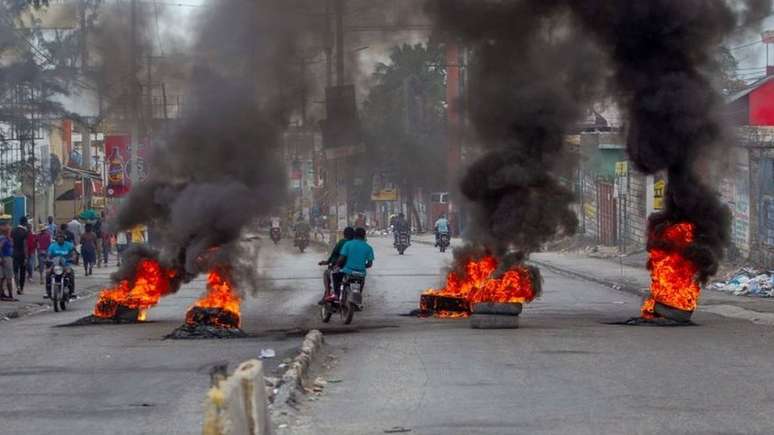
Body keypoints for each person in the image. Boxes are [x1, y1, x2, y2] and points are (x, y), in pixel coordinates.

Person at [317, 226, 354, 304]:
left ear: (344, 234)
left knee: (327, 273)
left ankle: (328, 294)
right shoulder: (355, 243)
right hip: (353, 270)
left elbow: (334, 254)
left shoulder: (342, 242)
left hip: (341, 268)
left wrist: (328, 262)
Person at [335, 227, 374, 297]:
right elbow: (369, 264)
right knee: (359, 291)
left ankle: (337, 296)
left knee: (338, 280)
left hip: (348, 272)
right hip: (361, 274)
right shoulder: (368, 247)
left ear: (354, 235)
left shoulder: (348, 244)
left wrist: (336, 266)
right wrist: (361, 265)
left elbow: (341, 259)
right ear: (364, 236)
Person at [46, 233, 76, 299]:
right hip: (55, 266)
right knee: (48, 273)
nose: (60, 239)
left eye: (62, 237)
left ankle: (72, 291)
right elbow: (48, 255)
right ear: (57, 238)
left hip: (65, 265)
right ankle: (48, 292)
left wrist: (73, 258)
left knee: (71, 273)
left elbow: (73, 254)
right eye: (59, 237)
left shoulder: (69, 245)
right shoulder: (52, 246)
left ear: (64, 238)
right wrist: (48, 260)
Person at [10, 216, 30, 295]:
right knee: (22, 271)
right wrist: (26, 256)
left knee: (15, 271)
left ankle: (17, 286)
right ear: (24, 223)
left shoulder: (13, 230)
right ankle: (21, 288)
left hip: (14, 253)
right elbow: (25, 245)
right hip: (22, 254)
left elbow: (11, 242)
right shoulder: (25, 232)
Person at [0, 218, 14, 301]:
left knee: (2, 278)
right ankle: (10, 295)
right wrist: (2, 258)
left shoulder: (5, 238)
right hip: (6, 258)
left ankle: (2, 294)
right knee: (9, 277)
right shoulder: (4, 238)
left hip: (4, 258)